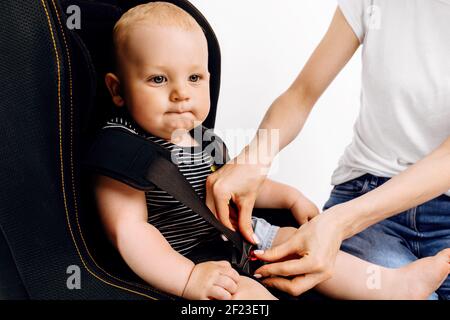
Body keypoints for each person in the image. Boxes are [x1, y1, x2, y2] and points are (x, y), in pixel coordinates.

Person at [94, 2, 450, 300]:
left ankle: (393, 285)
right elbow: (129, 231)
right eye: (158, 79)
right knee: (247, 297)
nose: (180, 93)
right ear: (117, 89)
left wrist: (288, 196)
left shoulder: (201, 138)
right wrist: (188, 278)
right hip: (190, 258)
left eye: (195, 79)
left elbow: (232, 184)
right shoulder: (123, 147)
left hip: (241, 238)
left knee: (300, 245)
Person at [205, 0, 450, 299]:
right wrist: (254, 158)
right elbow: (302, 94)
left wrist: (338, 222)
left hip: (362, 214)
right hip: (366, 195)